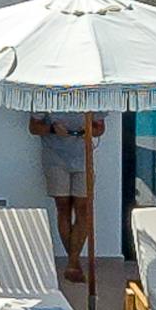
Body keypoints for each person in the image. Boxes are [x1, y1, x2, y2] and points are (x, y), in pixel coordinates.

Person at [30, 110, 103, 283]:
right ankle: (73, 262)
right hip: (55, 159)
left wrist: (87, 129)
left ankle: (72, 262)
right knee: (63, 207)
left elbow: (100, 128)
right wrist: (53, 130)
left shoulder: (91, 94)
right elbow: (33, 127)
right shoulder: (47, 95)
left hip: (84, 158)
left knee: (83, 209)